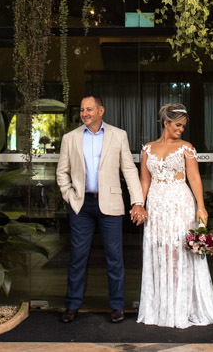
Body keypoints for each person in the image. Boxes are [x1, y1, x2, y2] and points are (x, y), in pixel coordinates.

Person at [137, 103, 213, 328]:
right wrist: (140, 203)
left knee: (178, 252)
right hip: (157, 205)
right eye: (177, 125)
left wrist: (201, 207)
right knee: (160, 250)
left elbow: (194, 178)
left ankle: (181, 306)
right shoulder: (147, 149)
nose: (181, 129)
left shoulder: (186, 147)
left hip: (180, 203)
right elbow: (145, 180)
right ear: (165, 123)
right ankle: (161, 308)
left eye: (183, 126)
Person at [55, 95, 147, 324]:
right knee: (78, 257)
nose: (84, 113)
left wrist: (138, 201)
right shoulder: (70, 138)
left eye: (89, 109)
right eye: (82, 110)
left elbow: (129, 170)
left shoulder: (118, 135)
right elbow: (61, 172)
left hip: (111, 205)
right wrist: (69, 195)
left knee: (114, 258)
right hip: (81, 205)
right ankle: (72, 305)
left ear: (100, 110)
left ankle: (117, 306)